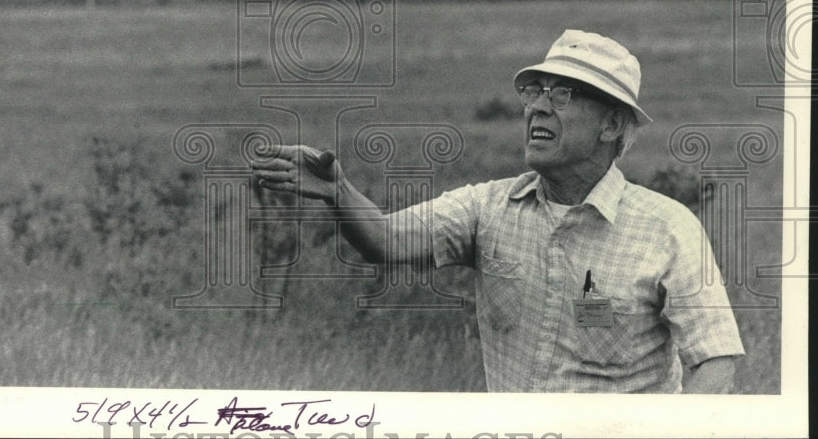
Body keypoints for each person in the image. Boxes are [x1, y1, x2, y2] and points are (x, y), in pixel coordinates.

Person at [251, 29, 744, 393]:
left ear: (613, 123)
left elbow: (714, 360)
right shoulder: (487, 207)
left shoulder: (669, 229)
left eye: (563, 95)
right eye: (535, 92)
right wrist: (339, 192)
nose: (538, 109)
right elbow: (386, 239)